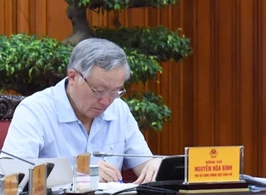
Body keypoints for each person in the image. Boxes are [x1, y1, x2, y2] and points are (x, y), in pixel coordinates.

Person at [5, 38, 161, 184]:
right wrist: (80, 175)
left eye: (115, 92)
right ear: (72, 77)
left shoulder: (119, 109)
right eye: (99, 90)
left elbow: (143, 163)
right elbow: (10, 172)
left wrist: (154, 166)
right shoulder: (35, 110)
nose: (106, 101)